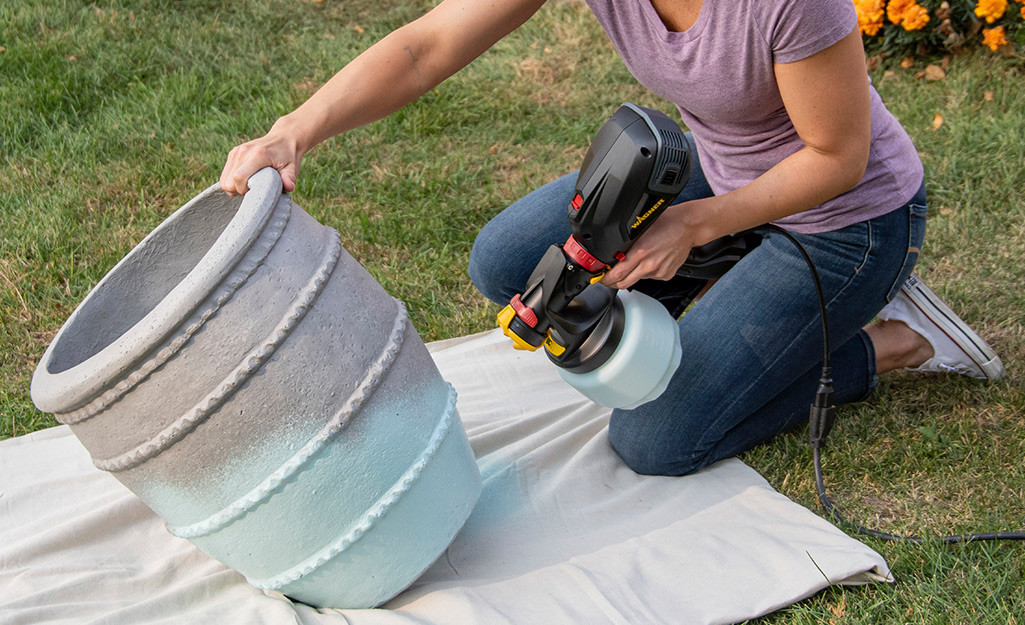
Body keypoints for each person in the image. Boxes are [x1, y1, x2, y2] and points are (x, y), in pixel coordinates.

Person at [220, 0, 1004, 476]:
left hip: (845, 219)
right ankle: (745, 283)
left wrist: (696, 222)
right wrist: (293, 132)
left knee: (657, 438)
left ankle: (897, 339)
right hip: (720, 170)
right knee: (507, 266)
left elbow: (838, 157)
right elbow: (428, 45)